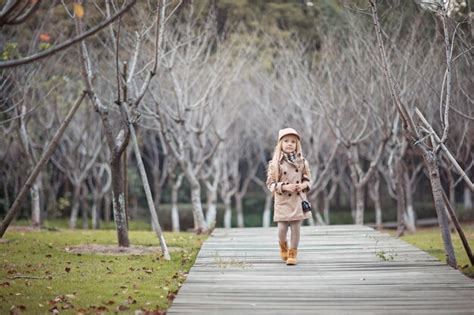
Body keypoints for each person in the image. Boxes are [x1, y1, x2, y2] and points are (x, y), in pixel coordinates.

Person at [266, 128, 312, 265]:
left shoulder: (302, 162)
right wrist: (284, 187)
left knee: (296, 229)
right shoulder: (274, 164)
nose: (289, 144)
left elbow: (308, 180)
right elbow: (270, 184)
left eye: (293, 141)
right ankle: (283, 245)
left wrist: (302, 186)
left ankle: (293, 253)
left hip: (298, 199)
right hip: (282, 201)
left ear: (297, 144)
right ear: (280, 144)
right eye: (286, 141)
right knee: (282, 229)